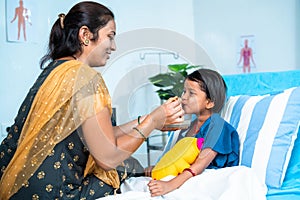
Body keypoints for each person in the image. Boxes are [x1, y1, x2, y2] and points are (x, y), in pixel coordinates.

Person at [0, 2, 184, 199]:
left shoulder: (54, 71)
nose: (113, 46)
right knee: (122, 167)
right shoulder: (86, 78)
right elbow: (107, 157)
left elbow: (98, 136)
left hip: (14, 187)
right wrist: (152, 123)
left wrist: (145, 119)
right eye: (110, 36)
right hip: (53, 194)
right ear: (85, 35)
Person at [145, 68, 240, 197]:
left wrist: (169, 185)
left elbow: (199, 165)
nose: (184, 97)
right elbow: (178, 160)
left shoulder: (218, 126)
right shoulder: (187, 128)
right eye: (184, 91)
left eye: (191, 93)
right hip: (185, 177)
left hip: (205, 179)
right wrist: (157, 169)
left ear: (210, 102)